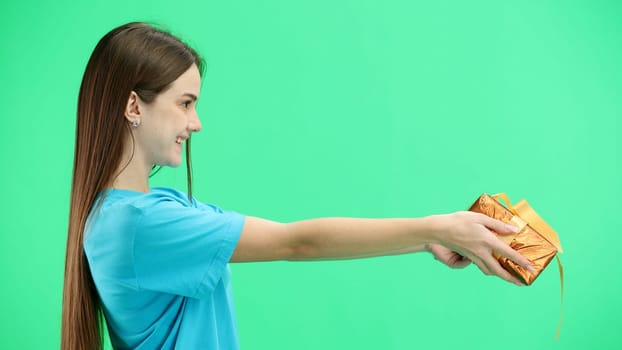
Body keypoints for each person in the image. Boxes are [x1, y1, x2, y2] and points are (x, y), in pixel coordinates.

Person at [61, 22, 535, 350]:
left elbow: (292, 238)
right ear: (133, 106)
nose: (197, 122)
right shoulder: (142, 224)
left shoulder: (146, 210)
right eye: (185, 103)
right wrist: (441, 226)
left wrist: (429, 239)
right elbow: (297, 242)